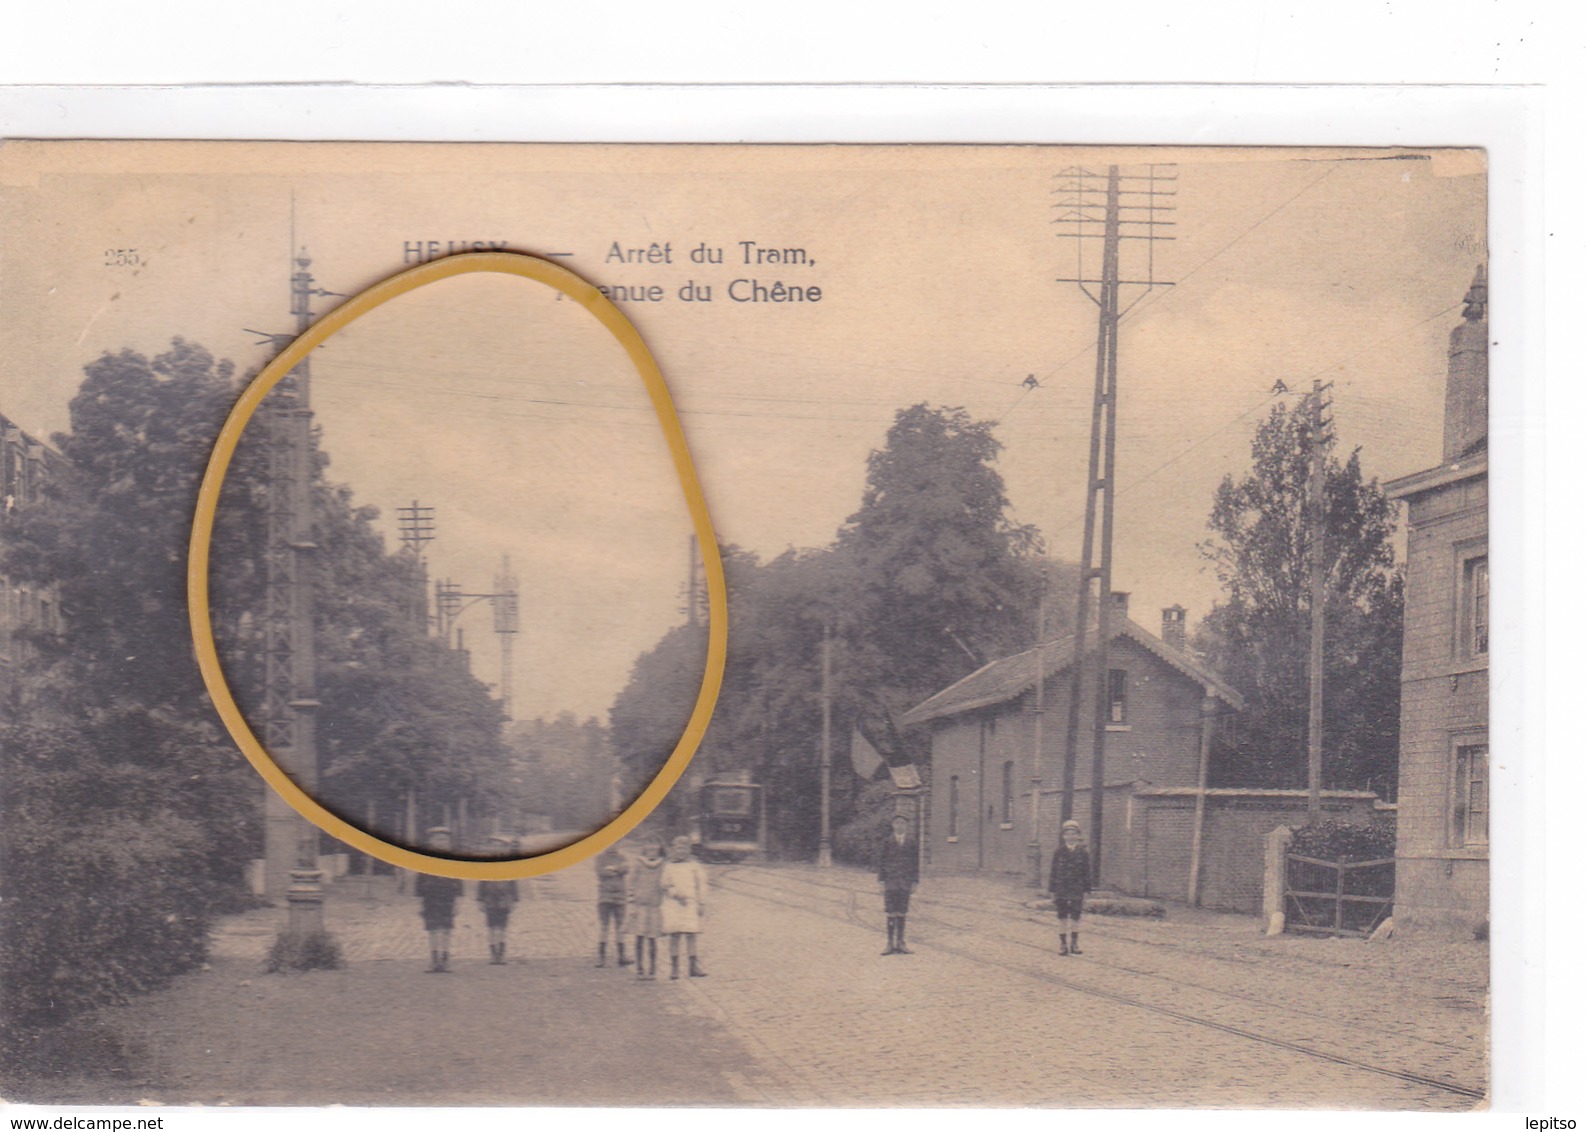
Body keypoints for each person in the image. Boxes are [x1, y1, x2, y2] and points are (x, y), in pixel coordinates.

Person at [414, 826, 464, 973]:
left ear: (449, 842)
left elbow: (459, 881)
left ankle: (445, 960)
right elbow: (419, 882)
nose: (441, 842)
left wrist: (458, 902)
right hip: (430, 899)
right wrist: (419, 903)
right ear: (430, 841)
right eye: (437, 839)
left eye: (444, 839)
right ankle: (434, 961)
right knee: (433, 930)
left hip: (448, 898)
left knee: (447, 929)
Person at [660, 835, 708, 979]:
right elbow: (664, 884)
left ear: (689, 850)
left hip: (690, 904)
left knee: (691, 934)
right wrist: (675, 894)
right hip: (673, 904)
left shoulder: (694, 866)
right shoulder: (668, 866)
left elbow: (702, 884)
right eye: (677, 848)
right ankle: (674, 968)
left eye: (684, 848)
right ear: (673, 850)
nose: (680, 851)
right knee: (675, 935)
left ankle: (693, 967)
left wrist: (702, 903)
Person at [877, 813, 919, 955]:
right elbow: (881, 862)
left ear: (906, 825)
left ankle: (901, 943)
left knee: (902, 911)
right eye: (897, 823)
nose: (900, 825)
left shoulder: (912, 843)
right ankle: (889, 943)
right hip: (890, 882)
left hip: (905, 882)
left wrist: (914, 881)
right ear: (893, 825)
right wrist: (881, 881)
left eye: (902, 823)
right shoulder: (886, 842)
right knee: (890, 911)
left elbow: (915, 863)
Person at [1048, 819, 1092, 956]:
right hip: (1061, 888)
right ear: (1063, 836)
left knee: (1075, 916)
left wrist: (1086, 891)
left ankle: (1074, 943)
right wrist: (1052, 890)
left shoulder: (1083, 853)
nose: (1071, 837)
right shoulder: (1059, 852)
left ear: (1078, 836)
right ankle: (1062, 944)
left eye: (1074, 834)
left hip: (1077, 889)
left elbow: (1087, 873)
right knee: (1062, 916)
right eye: (1068, 834)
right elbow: (1053, 872)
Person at [476, 835, 520, 965]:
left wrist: (514, 900)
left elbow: (513, 883)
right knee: (491, 927)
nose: (497, 849)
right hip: (489, 899)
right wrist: (480, 899)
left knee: (502, 927)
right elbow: (482, 883)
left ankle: (501, 954)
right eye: (494, 846)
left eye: (500, 846)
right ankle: (493, 954)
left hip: (504, 899)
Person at [627, 836, 666, 981]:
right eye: (648, 849)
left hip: (654, 907)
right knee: (639, 938)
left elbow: (666, 884)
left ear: (659, 849)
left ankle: (652, 970)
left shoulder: (663, 865)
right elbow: (631, 884)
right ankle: (639, 969)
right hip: (640, 907)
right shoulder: (638, 864)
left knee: (652, 939)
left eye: (654, 849)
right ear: (644, 850)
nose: (651, 852)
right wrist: (631, 904)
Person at [595, 844, 631, 968]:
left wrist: (612, 869)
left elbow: (626, 869)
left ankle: (622, 957)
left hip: (620, 898)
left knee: (620, 927)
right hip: (604, 897)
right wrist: (617, 870)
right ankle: (601, 958)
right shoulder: (600, 858)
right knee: (604, 927)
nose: (612, 846)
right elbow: (601, 872)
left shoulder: (623, 857)